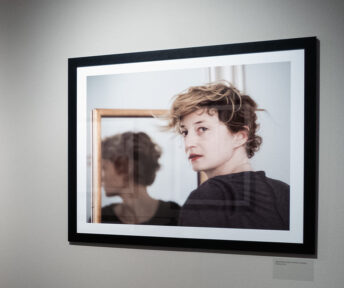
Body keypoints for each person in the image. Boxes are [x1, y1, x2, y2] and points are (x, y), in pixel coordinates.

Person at [166, 81, 289, 229]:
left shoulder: (207, 198)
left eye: (202, 129)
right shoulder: (285, 192)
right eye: (185, 132)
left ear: (240, 136)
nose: (188, 143)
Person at [100, 131, 180, 225]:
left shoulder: (174, 214)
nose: (101, 178)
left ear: (125, 167)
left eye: (104, 168)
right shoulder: (103, 216)